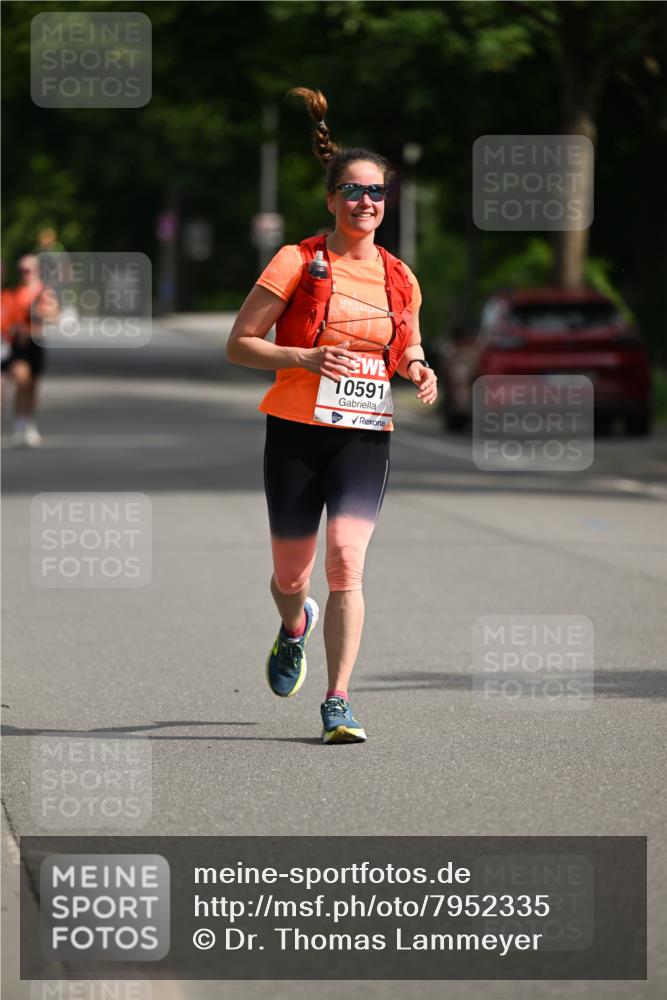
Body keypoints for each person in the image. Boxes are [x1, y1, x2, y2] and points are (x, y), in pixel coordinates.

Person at [226, 87, 437, 744]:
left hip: (363, 436)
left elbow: (407, 342)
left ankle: (338, 700)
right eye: (352, 191)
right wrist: (306, 357)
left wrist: (418, 367)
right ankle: (294, 625)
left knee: (347, 561)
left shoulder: (401, 277)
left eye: (375, 192)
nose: (364, 202)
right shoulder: (296, 260)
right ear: (330, 199)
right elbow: (239, 344)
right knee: (292, 575)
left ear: (386, 201)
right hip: (295, 430)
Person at [2, 255, 57, 447]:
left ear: (37, 270)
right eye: (21, 271)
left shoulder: (44, 292)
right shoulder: (15, 293)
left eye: (28, 270)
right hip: (19, 344)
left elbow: (54, 315)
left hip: (37, 342)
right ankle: (19, 424)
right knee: (21, 381)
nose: (24, 274)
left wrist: (40, 313)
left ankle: (30, 424)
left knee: (32, 385)